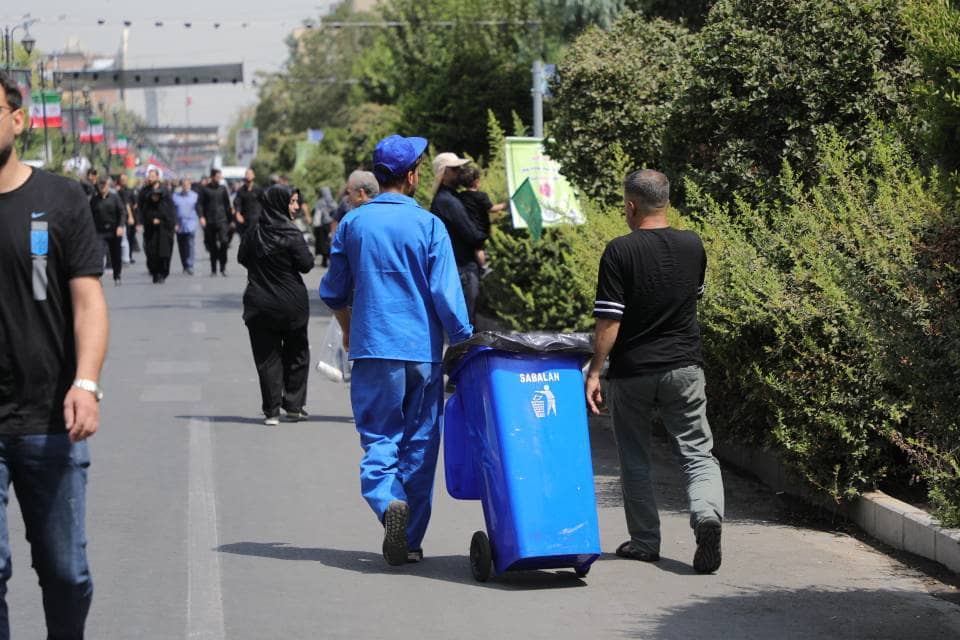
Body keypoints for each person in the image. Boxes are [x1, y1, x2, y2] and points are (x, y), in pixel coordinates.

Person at [320, 134, 473, 566]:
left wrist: (349, 331)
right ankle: (411, 538)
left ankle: (389, 504)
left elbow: (333, 291)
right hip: (422, 351)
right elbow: (446, 296)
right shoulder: (429, 225)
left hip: (372, 348)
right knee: (421, 443)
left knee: (380, 439)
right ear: (412, 175)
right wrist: (464, 342)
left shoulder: (353, 223)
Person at [0, 70, 108, 640]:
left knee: (65, 572)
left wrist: (85, 384)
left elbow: (88, 301)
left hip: (48, 418)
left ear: (18, 119)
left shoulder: (60, 199)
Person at [585, 169, 724, 574]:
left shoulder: (619, 251)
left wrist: (596, 370)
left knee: (635, 457)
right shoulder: (692, 244)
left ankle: (645, 542)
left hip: (633, 372)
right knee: (698, 454)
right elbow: (694, 297)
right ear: (666, 201)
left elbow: (609, 322)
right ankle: (706, 515)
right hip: (684, 366)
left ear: (631, 205)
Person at [238, 185, 314, 425]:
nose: (295, 207)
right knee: (297, 353)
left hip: (259, 304)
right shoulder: (292, 234)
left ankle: (271, 411)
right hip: (292, 305)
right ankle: (293, 406)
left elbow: (242, 258)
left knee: (267, 358)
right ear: (280, 204)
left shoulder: (253, 232)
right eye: (291, 202)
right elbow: (306, 264)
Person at [429, 152, 487, 324]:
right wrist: (483, 236)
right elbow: (472, 235)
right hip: (463, 269)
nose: (460, 171)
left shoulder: (449, 197)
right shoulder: (447, 201)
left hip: (459, 268)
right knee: (466, 326)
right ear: (444, 173)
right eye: (455, 169)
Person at [456, 164, 506, 274]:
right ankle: (484, 267)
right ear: (476, 181)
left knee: (478, 247)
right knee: (479, 248)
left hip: (468, 226)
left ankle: (482, 259)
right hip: (480, 227)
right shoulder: (481, 196)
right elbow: (491, 208)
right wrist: (504, 205)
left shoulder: (461, 196)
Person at [197, 168, 234, 277]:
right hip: (210, 221)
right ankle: (213, 269)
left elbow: (227, 206)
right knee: (212, 246)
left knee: (224, 242)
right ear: (212, 177)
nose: (219, 179)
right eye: (217, 177)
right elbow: (199, 204)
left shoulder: (223, 189)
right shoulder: (204, 189)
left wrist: (231, 220)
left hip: (222, 220)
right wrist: (201, 217)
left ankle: (223, 268)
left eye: (220, 177)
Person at [89, 176, 126, 286]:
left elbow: (122, 212)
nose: (102, 187)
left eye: (104, 184)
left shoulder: (115, 198)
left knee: (116, 255)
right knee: (98, 254)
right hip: (99, 232)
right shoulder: (94, 200)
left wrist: (120, 226)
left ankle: (117, 275)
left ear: (108, 185)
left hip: (114, 231)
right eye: (100, 185)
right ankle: (98, 276)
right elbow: (89, 215)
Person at [141, 183, 176, 283]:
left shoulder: (165, 205)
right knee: (151, 255)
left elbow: (170, 218)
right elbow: (144, 217)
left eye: (157, 195)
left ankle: (163, 273)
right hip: (151, 234)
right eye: (153, 195)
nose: (155, 197)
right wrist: (151, 221)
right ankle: (155, 273)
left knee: (164, 255)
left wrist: (162, 222)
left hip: (164, 234)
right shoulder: (148, 206)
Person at [172, 178, 200, 275]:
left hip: (191, 223)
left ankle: (190, 265)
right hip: (179, 224)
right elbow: (172, 211)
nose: (185, 187)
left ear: (190, 185)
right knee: (182, 246)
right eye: (183, 185)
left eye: (187, 185)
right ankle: (184, 265)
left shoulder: (195, 196)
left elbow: (199, 209)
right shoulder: (175, 196)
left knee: (190, 244)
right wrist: (174, 223)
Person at [312, 186, 337, 267]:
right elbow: (336, 210)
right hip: (330, 224)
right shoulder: (332, 202)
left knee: (322, 242)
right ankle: (329, 258)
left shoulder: (320, 202)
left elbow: (315, 211)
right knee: (329, 241)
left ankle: (324, 260)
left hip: (321, 225)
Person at [116, 173, 138, 264]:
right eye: (122, 179)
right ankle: (123, 256)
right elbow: (126, 204)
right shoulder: (117, 191)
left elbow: (135, 203)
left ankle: (129, 255)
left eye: (125, 179)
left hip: (131, 216)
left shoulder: (130, 190)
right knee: (123, 238)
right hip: (122, 217)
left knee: (131, 237)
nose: (124, 181)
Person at [234, 168, 263, 235]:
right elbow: (237, 203)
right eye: (247, 174)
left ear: (254, 176)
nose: (248, 175)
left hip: (257, 221)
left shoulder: (258, 189)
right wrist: (238, 214)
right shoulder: (241, 190)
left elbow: (264, 203)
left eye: (250, 174)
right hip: (244, 220)